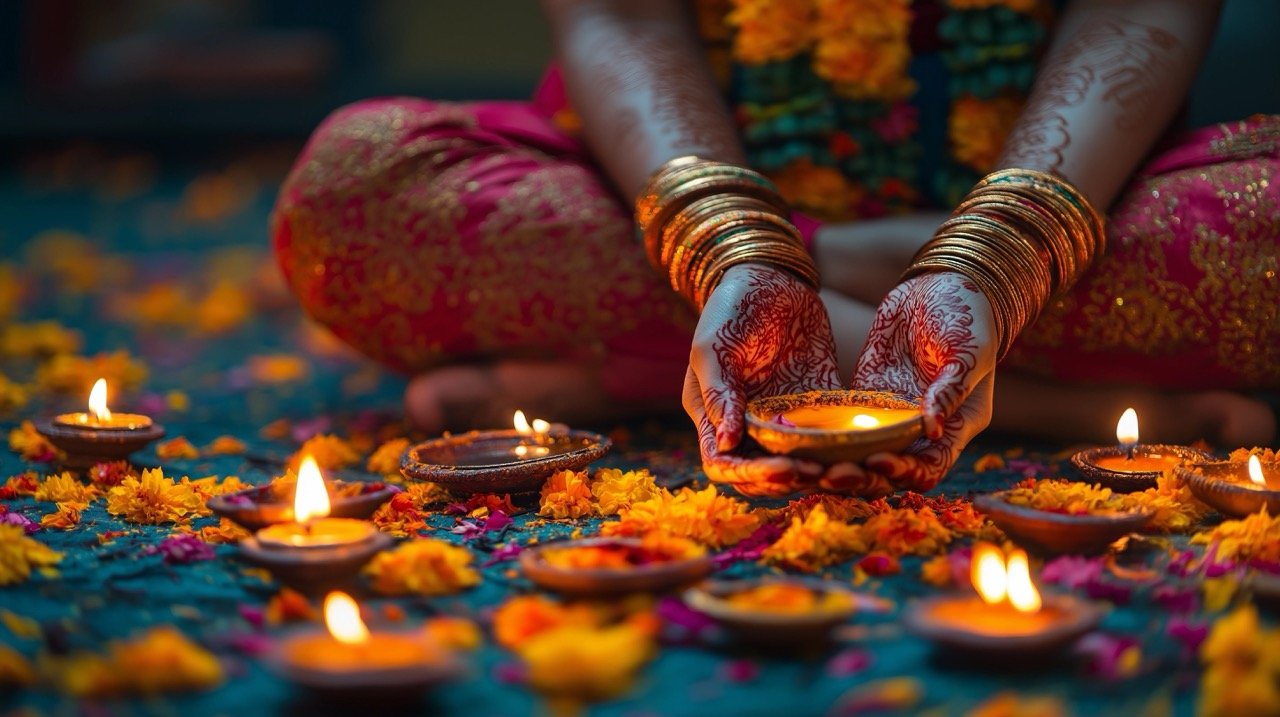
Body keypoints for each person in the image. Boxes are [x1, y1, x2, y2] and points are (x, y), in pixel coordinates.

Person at [272, 0, 1278, 497]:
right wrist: (735, 250)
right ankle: (1028, 390)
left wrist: (996, 254)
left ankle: (654, 367)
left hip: (1077, 191)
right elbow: (615, 15)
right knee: (358, 188)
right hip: (659, 186)